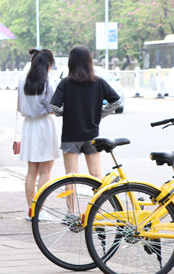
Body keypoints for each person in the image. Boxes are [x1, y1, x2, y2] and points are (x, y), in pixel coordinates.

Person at [50, 45, 121, 178]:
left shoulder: (65, 83)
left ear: (71, 62)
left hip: (70, 135)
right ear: (89, 61)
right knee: (96, 175)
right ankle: (97, 193)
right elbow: (117, 101)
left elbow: (54, 106)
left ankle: (71, 193)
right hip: (92, 134)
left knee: (71, 177)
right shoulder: (99, 82)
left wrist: (65, 113)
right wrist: (100, 114)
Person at [18, 49, 60, 216]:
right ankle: (40, 210)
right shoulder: (48, 83)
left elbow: (19, 107)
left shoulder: (22, 81)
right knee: (45, 172)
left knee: (31, 172)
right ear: (49, 65)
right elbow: (52, 109)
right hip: (44, 126)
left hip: (28, 127)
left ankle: (31, 210)